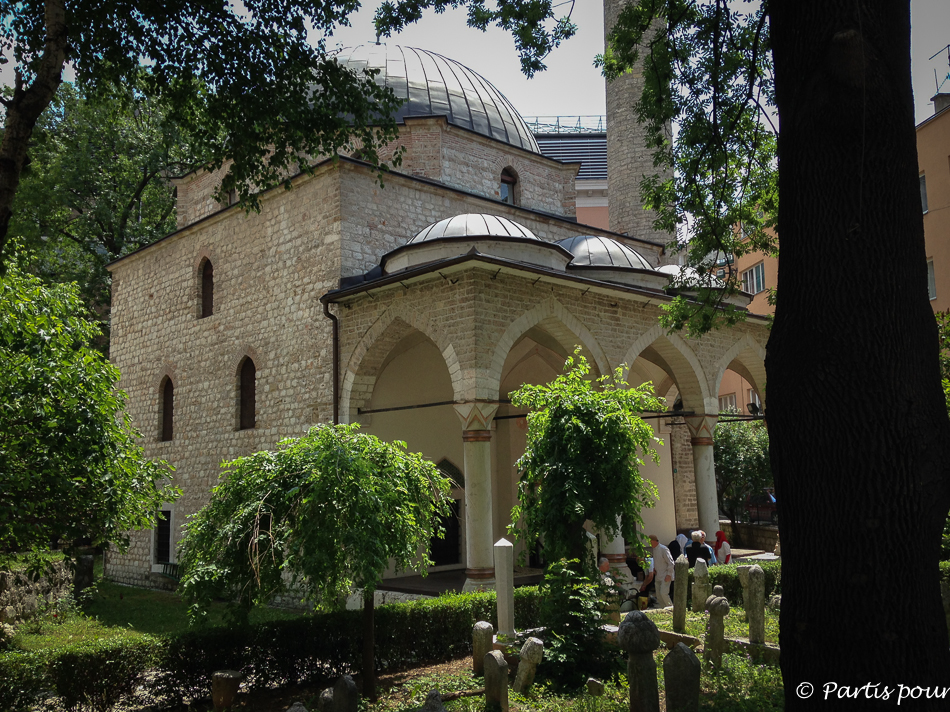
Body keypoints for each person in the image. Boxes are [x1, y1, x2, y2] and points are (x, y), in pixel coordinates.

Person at [640, 535, 675, 607]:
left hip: (665, 575)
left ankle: (671, 609)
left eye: (650, 542)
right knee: (659, 596)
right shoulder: (654, 550)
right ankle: (664, 610)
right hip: (658, 575)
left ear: (654, 541)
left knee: (663, 593)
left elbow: (671, 563)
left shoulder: (664, 549)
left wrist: (669, 574)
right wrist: (654, 569)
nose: (650, 544)